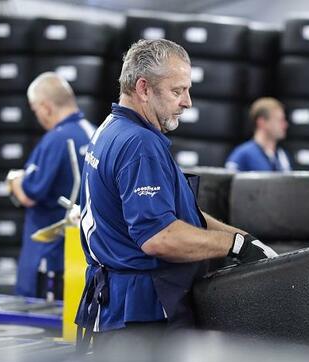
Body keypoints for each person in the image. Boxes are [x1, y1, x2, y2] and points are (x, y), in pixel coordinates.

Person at [75, 39, 277, 346]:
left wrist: (244, 239)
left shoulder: (109, 129)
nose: (188, 102)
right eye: (177, 91)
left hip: (118, 309)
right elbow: (160, 237)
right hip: (143, 318)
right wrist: (232, 246)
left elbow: (174, 213)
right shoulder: (140, 145)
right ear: (143, 88)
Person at [6, 72, 96, 299]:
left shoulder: (56, 140)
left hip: (49, 257)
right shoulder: (96, 133)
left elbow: (29, 194)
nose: (38, 117)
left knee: (40, 327)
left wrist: (13, 180)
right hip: (87, 255)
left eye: (36, 110)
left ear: (46, 107)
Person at [225, 97, 291, 172]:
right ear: (262, 122)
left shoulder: (282, 156)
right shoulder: (243, 155)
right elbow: (229, 182)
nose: (285, 125)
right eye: (280, 120)